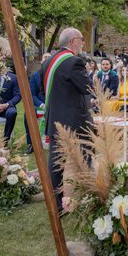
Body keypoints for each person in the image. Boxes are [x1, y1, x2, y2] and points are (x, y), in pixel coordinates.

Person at [41, 28, 91, 212]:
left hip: (55, 119)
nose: (83, 44)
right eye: (81, 40)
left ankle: (55, 204)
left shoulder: (48, 62)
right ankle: (91, 199)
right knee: (86, 160)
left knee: (56, 164)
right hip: (76, 122)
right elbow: (88, 87)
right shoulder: (74, 62)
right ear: (72, 42)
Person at [24, 52, 51, 154]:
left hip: (53, 106)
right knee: (28, 114)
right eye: (45, 57)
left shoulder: (56, 75)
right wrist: (41, 104)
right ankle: (31, 144)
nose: (47, 59)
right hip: (40, 105)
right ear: (41, 61)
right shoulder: (35, 76)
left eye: (49, 58)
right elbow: (32, 94)